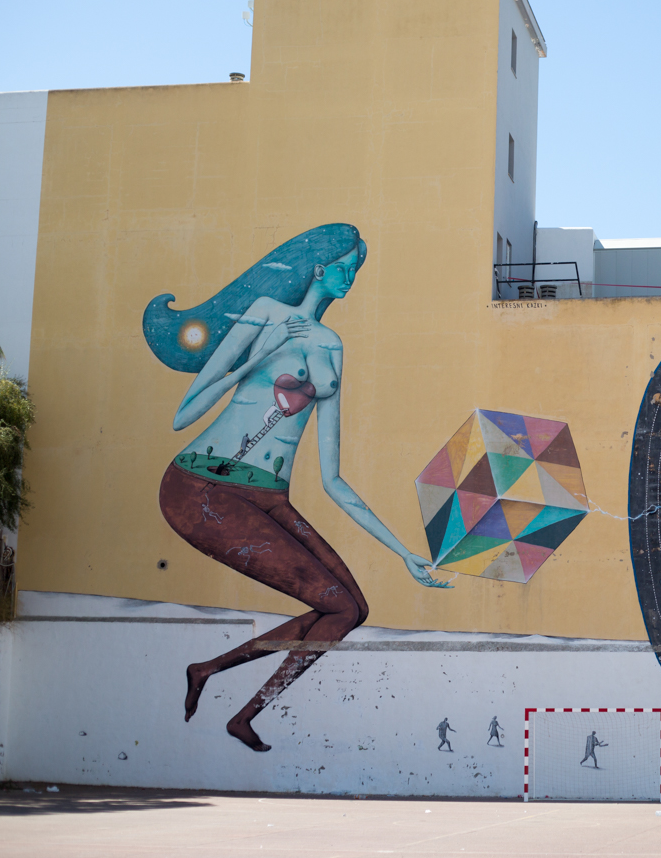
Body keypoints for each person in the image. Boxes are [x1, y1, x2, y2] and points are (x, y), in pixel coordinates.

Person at [144, 224, 449, 753]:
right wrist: (258, 359)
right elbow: (183, 414)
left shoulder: (332, 345)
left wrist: (402, 552)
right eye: (344, 267)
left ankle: (212, 675)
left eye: (357, 269)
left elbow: (332, 478)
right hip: (201, 486)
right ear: (318, 268)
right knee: (336, 605)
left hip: (269, 495)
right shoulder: (265, 313)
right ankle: (237, 706)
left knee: (351, 610)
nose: (351, 277)